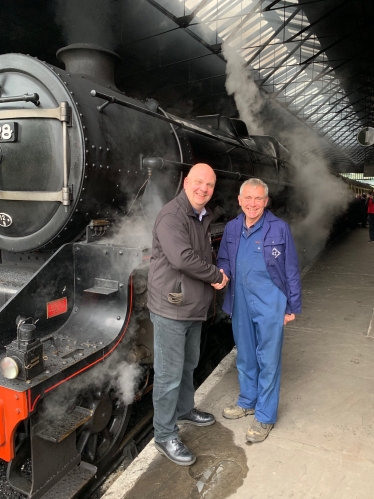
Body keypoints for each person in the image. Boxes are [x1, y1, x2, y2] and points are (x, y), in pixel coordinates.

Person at [147, 163, 228, 466]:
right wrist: (216, 275)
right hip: (172, 307)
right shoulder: (172, 215)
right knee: (168, 375)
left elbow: (201, 252)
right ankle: (164, 434)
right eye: (198, 182)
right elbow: (182, 258)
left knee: (188, 363)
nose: (203, 189)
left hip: (191, 306)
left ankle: (184, 409)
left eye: (209, 185)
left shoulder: (200, 215)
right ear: (186, 183)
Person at [217, 178, 301, 443]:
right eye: (248, 199)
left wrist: (292, 305)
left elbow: (290, 269)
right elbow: (223, 259)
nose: (253, 204)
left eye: (258, 199)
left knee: (268, 359)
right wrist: (222, 273)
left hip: (270, 301)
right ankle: (247, 401)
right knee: (244, 355)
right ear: (240, 201)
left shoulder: (280, 228)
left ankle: (265, 416)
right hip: (240, 299)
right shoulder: (232, 228)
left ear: (266, 202)